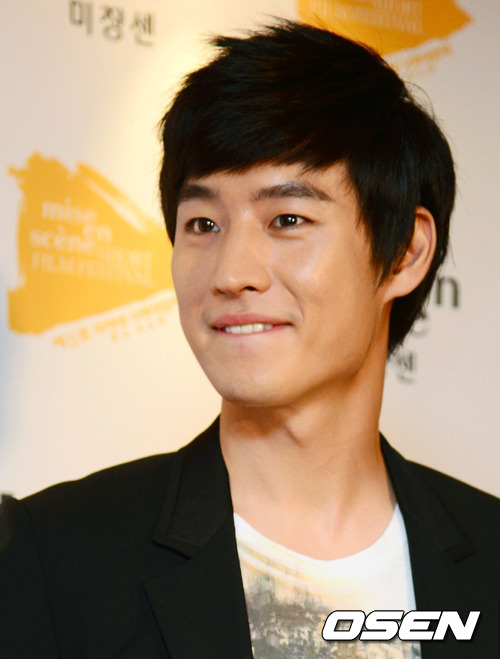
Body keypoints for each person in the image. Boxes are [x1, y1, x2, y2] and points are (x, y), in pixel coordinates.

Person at [1, 20, 498, 659]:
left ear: (405, 251)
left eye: (287, 219)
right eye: (203, 224)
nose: (231, 273)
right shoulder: (53, 558)